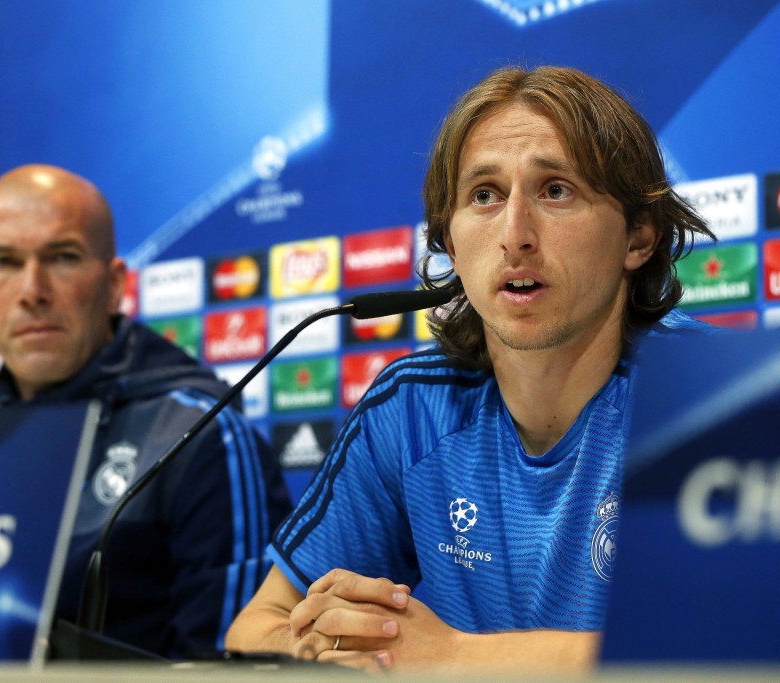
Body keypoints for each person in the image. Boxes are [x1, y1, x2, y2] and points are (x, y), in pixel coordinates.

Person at [224, 65, 717, 673]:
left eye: (556, 190)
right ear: (451, 245)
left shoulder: (712, 400)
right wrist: (322, 649)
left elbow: (741, 649)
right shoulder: (411, 407)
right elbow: (254, 628)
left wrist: (456, 658)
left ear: (638, 237)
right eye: (485, 195)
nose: (515, 235)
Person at [0, 164, 292, 659]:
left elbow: (236, 669)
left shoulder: (202, 435)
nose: (32, 290)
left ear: (115, 283)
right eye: (5, 262)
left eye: (63, 257)